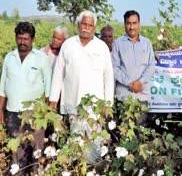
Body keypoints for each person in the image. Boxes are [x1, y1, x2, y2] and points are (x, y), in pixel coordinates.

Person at [49, 10, 114, 164]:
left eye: (90, 25)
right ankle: (76, 171)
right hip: (73, 104)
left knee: (94, 145)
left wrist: (108, 104)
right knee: (75, 145)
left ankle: (93, 171)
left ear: (94, 27)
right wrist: (53, 100)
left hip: (95, 108)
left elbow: (109, 78)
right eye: (84, 24)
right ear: (78, 24)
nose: (86, 27)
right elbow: (59, 73)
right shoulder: (68, 45)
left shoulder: (101, 47)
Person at [0, 22, 52, 173]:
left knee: (36, 152)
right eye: (19, 38)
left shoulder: (41, 58)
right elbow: (2, 86)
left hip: (34, 114)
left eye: (26, 39)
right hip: (13, 114)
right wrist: (1, 110)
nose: (22, 42)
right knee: (17, 155)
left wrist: (46, 114)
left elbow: (48, 88)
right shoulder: (9, 58)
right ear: (16, 38)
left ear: (32, 39)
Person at [112, 10, 155, 125]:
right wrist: (130, 83)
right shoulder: (117, 44)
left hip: (142, 96)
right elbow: (115, 68)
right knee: (125, 135)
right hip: (125, 97)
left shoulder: (147, 43)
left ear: (139, 24)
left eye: (134, 23)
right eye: (128, 23)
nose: (132, 27)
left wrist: (140, 82)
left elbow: (151, 65)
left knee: (141, 133)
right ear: (125, 24)